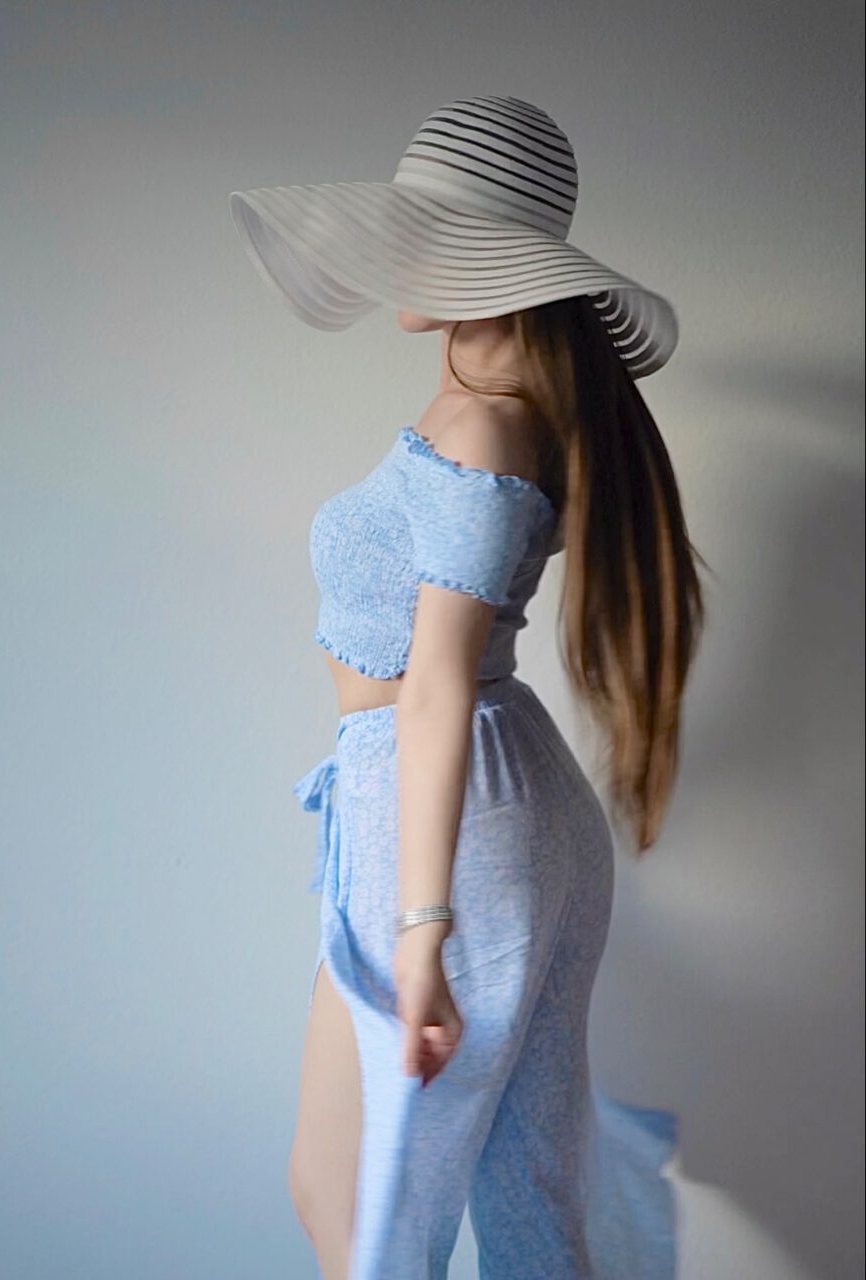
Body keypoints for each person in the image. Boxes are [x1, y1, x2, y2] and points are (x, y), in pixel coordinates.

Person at [231, 94, 708, 1280]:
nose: (394, 252)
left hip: (440, 805)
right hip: (492, 803)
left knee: (364, 1207)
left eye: (421, 229)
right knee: (511, 1189)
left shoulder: (484, 425)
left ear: (485, 260)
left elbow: (436, 683)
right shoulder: (507, 411)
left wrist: (422, 926)